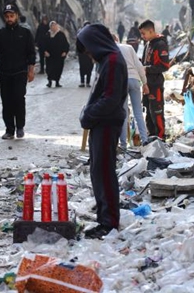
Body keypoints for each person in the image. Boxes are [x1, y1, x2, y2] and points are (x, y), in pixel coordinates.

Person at [76, 24, 127, 240]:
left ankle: (108, 222)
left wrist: (89, 115)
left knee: (104, 171)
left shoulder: (113, 61)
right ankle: (103, 218)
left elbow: (110, 99)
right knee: (98, 170)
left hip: (107, 123)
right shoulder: (107, 60)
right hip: (101, 122)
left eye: (89, 50)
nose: (89, 55)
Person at [0, 3, 36, 139]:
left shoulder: (25, 34)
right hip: (4, 73)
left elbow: (31, 54)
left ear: (17, 16)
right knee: (6, 101)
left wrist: (31, 71)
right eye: (7, 16)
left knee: (19, 99)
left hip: (20, 72)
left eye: (12, 16)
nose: (9, 19)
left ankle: (20, 127)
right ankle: (9, 130)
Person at [112, 34, 149, 148]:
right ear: (117, 39)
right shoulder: (129, 47)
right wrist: (145, 83)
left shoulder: (110, 50)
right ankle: (145, 140)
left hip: (121, 82)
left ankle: (123, 145)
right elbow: (139, 66)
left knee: (123, 113)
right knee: (138, 112)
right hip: (134, 79)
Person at [139, 20, 171, 139]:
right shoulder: (148, 44)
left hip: (156, 84)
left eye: (143, 33)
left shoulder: (160, 44)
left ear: (151, 31)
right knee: (148, 111)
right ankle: (151, 136)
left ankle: (161, 137)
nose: (142, 36)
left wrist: (147, 69)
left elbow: (165, 66)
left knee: (156, 111)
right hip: (147, 83)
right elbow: (144, 63)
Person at [44, 21, 69, 88]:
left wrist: (65, 52)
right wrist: (45, 51)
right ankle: (49, 81)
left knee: (58, 68)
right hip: (50, 56)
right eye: (52, 26)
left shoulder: (61, 34)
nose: (53, 27)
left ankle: (57, 81)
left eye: (55, 25)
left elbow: (66, 44)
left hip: (59, 55)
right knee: (49, 68)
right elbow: (43, 44)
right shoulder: (47, 34)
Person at [78, 21, 94, 87]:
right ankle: (82, 82)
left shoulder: (93, 35)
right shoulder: (80, 34)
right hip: (82, 54)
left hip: (90, 55)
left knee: (90, 68)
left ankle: (88, 82)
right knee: (82, 68)